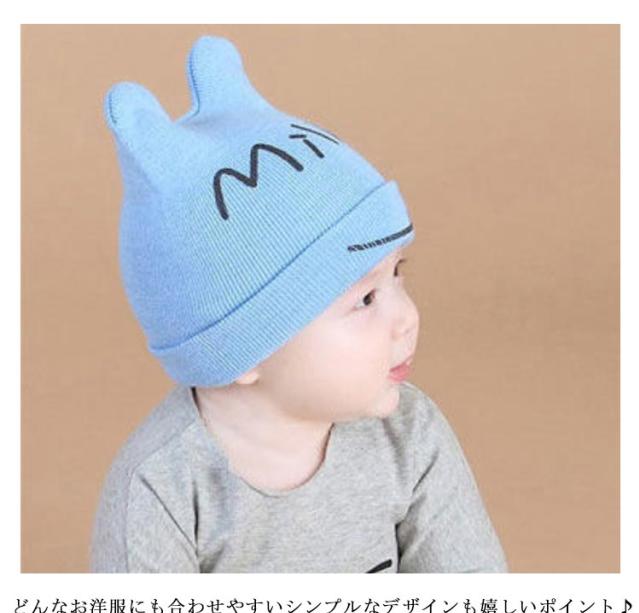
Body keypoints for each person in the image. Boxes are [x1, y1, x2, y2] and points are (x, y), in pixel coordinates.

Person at [89, 34, 508, 573]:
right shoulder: (164, 488)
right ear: (241, 350)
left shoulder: (410, 435)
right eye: (366, 298)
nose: (407, 317)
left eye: (398, 272)